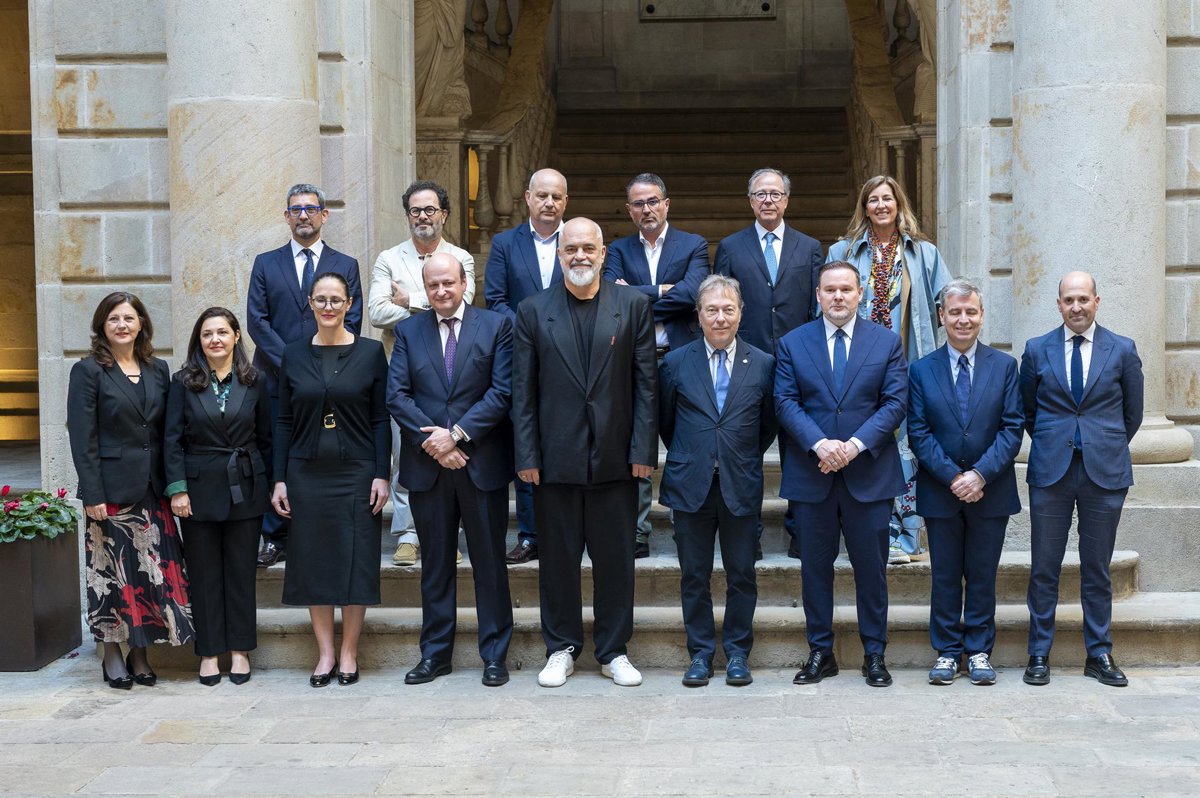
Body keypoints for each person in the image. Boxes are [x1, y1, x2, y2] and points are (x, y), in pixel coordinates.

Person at [513, 217, 657, 688]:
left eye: (588, 248)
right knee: (557, 563)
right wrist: (527, 456)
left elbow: (646, 385)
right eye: (570, 248)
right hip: (555, 460)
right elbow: (523, 392)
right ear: (559, 255)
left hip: (616, 459)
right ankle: (561, 647)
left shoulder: (633, 306)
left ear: (602, 254)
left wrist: (643, 449)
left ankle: (614, 650)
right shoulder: (533, 310)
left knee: (616, 562)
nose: (579, 256)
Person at [776, 261, 908, 687]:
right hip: (812, 474)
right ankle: (821, 652)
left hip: (868, 475)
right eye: (830, 290)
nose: (838, 296)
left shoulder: (886, 342)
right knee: (814, 570)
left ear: (860, 293)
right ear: (818, 295)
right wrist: (820, 444)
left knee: (872, 570)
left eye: (846, 289)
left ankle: (875, 654)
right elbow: (785, 401)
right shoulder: (793, 343)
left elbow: (894, 404)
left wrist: (853, 446)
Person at [388, 253, 515, 687]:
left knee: (490, 565)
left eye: (448, 282)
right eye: (433, 285)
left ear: (464, 284)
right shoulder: (408, 331)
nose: (441, 291)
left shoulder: (496, 326)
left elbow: (502, 392)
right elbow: (397, 395)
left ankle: (494, 655)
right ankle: (435, 654)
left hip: (481, 464)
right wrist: (436, 445)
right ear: (425, 289)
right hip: (429, 468)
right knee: (435, 566)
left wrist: (457, 435)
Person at [1019, 271, 1144, 687]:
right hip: (1051, 472)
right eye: (1069, 300)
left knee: (1096, 568)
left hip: (1104, 473)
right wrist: (1057, 441)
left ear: (1096, 301)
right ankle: (1039, 653)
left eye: (1083, 299)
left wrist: (1101, 443)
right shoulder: (1036, 350)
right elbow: (1029, 412)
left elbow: (1132, 414)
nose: (1076, 307)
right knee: (1044, 567)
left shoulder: (1122, 349)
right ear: (1058, 304)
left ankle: (1099, 653)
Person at [66, 292, 195, 689]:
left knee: (149, 576)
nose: (122, 325)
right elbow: (83, 438)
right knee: (111, 574)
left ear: (141, 324)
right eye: (114, 319)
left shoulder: (158, 369)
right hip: (111, 494)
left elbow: (166, 432)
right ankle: (111, 653)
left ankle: (140, 652)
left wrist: (175, 484)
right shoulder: (88, 371)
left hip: (153, 489)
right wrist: (92, 494)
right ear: (102, 326)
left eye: (129, 318)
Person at [271, 272, 390, 687]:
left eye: (336, 299)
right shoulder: (293, 353)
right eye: (320, 299)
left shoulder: (371, 353)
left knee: (356, 561)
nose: (328, 306)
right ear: (310, 303)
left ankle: (349, 652)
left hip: (357, 472)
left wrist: (382, 473)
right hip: (305, 472)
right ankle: (324, 653)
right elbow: (283, 420)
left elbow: (380, 419)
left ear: (349, 304)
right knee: (314, 561)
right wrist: (279, 479)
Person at [659, 274, 777, 687]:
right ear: (699, 315)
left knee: (741, 573)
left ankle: (738, 654)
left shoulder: (763, 363)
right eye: (712, 310)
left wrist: (734, 455)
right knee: (694, 575)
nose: (720, 318)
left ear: (741, 313)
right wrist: (698, 453)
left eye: (728, 309)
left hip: (739, 482)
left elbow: (766, 426)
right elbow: (667, 422)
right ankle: (701, 654)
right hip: (690, 484)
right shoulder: (675, 362)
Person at [827, 175, 951, 564]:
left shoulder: (924, 253)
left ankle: (906, 539)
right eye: (873, 200)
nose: (881, 205)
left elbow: (947, 302)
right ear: (864, 207)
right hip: (859, 367)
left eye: (888, 199)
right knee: (864, 440)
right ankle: (868, 534)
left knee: (907, 446)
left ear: (899, 204)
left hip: (909, 363)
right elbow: (826, 308)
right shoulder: (843, 251)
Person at [906, 280, 1023, 686]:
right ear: (942, 316)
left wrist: (979, 474)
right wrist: (954, 477)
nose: (963, 319)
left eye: (971, 311)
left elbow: (1012, 428)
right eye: (954, 312)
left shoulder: (1004, 366)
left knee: (982, 575)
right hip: (941, 491)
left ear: (982, 315)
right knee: (944, 575)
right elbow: (918, 432)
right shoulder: (921, 370)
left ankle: (978, 651)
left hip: (991, 490)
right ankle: (946, 651)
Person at [247, 182, 363, 568]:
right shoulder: (266, 263)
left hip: (329, 381)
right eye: (295, 209)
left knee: (322, 451)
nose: (303, 216)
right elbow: (257, 321)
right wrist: (293, 364)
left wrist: (317, 367)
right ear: (286, 216)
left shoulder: (345, 264)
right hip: (275, 378)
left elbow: (352, 321)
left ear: (324, 215)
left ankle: (318, 531)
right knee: (275, 452)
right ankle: (274, 535)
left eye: (310, 209)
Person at [713, 167, 822, 558]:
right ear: (750, 201)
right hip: (747, 364)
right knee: (746, 453)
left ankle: (800, 533)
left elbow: (816, 308)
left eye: (775, 194)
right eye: (761, 194)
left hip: (798, 365)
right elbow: (721, 303)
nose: (768, 201)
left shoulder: (809, 247)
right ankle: (749, 536)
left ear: (787, 200)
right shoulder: (731, 247)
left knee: (801, 451)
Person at [368, 180, 475, 567]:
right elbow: (377, 312)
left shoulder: (461, 257)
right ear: (407, 216)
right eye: (415, 210)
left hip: (453, 371)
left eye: (430, 209)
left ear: (443, 214)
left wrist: (410, 299)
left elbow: (464, 304)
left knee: (453, 451)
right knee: (406, 450)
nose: (422, 217)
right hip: (405, 369)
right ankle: (408, 533)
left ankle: (451, 534)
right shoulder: (388, 259)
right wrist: (432, 306)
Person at [164, 307, 272, 686]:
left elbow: (267, 438)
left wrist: (271, 485)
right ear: (199, 340)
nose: (215, 340)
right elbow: (171, 441)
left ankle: (240, 650)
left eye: (222, 332)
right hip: (198, 490)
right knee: (204, 573)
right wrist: (177, 489)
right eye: (207, 334)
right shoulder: (183, 382)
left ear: (236, 336)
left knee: (241, 572)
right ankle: (209, 652)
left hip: (246, 485)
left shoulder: (255, 381)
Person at [606, 172, 709, 559]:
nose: (646, 209)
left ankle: (687, 525)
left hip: (682, 358)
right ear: (629, 209)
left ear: (666, 204)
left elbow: (693, 294)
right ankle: (637, 531)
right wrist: (663, 291)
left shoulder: (693, 245)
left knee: (687, 442)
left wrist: (637, 298)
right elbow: (610, 297)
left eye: (652, 201)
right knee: (637, 443)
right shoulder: (618, 250)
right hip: (633, 359)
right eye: (638, 203)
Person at [483, 168, 569, 565]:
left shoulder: (578, 240)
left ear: (565, 201)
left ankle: (566, 531)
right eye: (543, 196)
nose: (549, 203)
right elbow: (495, 300)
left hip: (572, 362)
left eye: (557, 197)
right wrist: (533, 330)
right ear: (528, 197)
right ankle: (531, 535)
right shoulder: (505, 243)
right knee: (527, 445)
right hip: (521, 361)